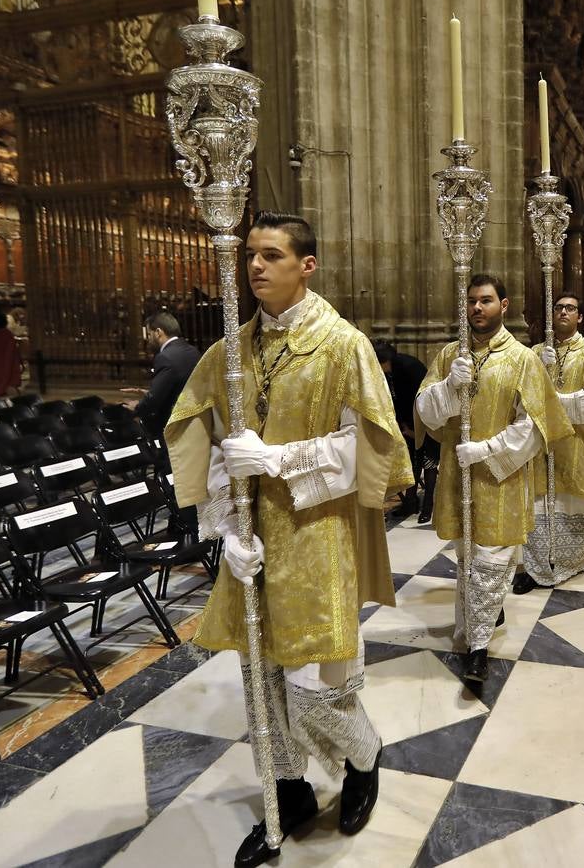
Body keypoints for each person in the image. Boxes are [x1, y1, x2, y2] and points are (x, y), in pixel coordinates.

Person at [165, 211, 414, 866]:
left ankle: (363, 758)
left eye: (271, 255)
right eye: (250, 254)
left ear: (307, 266)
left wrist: (275, 461)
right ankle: (288, 789)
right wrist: (226, 531)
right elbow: (206, 432)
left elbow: (368, 446)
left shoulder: (341, 345)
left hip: (315, 535)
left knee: (315, 686)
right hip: (253, 546)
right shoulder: (229, 348)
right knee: (261, 682)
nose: (254, 266)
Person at [415, 274, 571, 682]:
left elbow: (535, 423)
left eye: (485, 300)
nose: (476, 308)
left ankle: (478, 648)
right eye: (470, 301)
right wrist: (449, 387)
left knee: (491, 559)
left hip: (501, 476)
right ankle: (478, 622)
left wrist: (487, 449)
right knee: (467, 557)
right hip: (457, 475)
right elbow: (424, 409)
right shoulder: (451, 354)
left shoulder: (522, 358)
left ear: (504, 305)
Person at [514, 292, 584, 593]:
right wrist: (536, 365)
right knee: (539, 504)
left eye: (570, 308)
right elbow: (518, 397)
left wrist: (556, 402)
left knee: (576, 500)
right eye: (559, 307)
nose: (563, 312)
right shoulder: (535, 352)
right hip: (541, 445)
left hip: (576, 442)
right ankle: (536, 567)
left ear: (580, 317)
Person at [374, 341, 439, 523]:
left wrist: (415, 429)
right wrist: (402, 426)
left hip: (427, 423)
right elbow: (395, 400)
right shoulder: (389, 372)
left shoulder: (408, 367)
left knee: (429, 465)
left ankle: (428, 507)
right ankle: (410, 504)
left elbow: (423, 400)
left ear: (384, 360)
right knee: (411, 463)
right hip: (408, 423)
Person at [126, 312, 202, 443]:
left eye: (149, 334)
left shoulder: (165, 357)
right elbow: (180, 386)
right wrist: (149, 393)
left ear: (158, 332)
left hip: (173, 425)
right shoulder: (192, 351)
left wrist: (137, 407)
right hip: (194, 421)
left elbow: (154, 400)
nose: (148, 339)